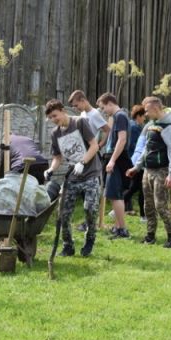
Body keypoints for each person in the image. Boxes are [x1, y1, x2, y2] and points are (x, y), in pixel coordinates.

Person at [44, 99, 101, 257]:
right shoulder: (55, 133)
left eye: (55, 115)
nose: (54, 119)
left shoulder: (80, 122)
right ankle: (68, 246)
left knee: (90, 209)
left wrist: (82, 162)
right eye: (51, 118)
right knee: (63, 213)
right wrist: (51, 169)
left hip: (90, 173)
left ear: (63, 110)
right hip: (73, 176)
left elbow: (94, 146)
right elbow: (57, 157)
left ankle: (90, 239)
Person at [126, 96, 171, 248]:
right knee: (148, 206)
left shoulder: (169, 127)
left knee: (160, 206)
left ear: (156, 109)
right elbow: (147, 149)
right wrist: (136, 167)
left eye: (148, 111)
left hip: (162, 171)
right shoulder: (151, 125)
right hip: (147, 171)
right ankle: (150, 236)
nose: (146, 114)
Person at [68, 90, 110, 232]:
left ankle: (90, 223)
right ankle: (88, 221)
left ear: (83, 100)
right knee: (83, 189)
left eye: (76, 105)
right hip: (82, 154)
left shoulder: (94, 114)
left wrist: (100, 145)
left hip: (92, 155)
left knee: (91, 191)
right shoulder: (83, 114)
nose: (76, 108)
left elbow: (107, 129)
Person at [97, 93, 132, 239]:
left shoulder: (120, 116)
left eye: (103, 107)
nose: (104, 111)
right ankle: (118, 227)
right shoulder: (117, 117)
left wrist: (112, 160)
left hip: (117, 158)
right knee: (114, 194)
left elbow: (122, 140)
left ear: (110, 103)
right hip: (114, 157)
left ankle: (122, 229)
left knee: (114, 193)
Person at [123, 105, 146, 219]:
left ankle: (122, 207)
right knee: (137, 187)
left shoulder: (131, 125)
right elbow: (135, 145)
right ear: (138, 116)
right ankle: (143, 215)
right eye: (143, 117)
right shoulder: (136, 128)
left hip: (133, 159)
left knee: (134, 187)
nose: (144, 119)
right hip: (136, 160)